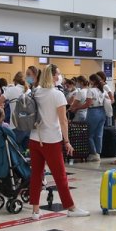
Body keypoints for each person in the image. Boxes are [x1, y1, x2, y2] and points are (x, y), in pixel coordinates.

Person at [29, 64, 90, 220]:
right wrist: (67, 141)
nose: (60, 76)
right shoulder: (57, 95)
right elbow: (63, 120)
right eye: (59, 74)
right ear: (53, 76)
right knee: (60, 176)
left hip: (35, 138)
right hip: (51, 140)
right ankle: (71, 208)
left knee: (36, 174)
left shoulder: (35, 92)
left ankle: (35, 211)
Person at [82, 74, 107, 161]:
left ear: (92, 81)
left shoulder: (91, 90)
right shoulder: (103, 90)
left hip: (93, 112)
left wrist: (76, 107)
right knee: (99, 134)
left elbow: (88, 104)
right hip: (102, 112)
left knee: (89, 134)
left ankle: (93, 153)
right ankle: (98, 153)